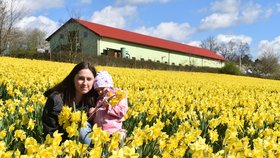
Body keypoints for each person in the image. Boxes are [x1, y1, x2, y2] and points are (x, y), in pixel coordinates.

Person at [42, 61, 98, 142]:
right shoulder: (56, 100)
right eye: (81, 78)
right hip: (61, 146)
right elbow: (50, 130)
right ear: (73, 78)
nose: (85, 83)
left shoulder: (94, 99)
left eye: (89, 79)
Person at [88, 70, 128, 146]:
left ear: (109, 86)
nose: (99, 92)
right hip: (100, 133)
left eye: (102, 89)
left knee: (114, 149)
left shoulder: (118, 96)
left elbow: (122, 112)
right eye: (97, 90)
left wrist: (109, 106)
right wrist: (92, 113)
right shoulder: (100, 99)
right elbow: (97, 116)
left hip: (113, 132)